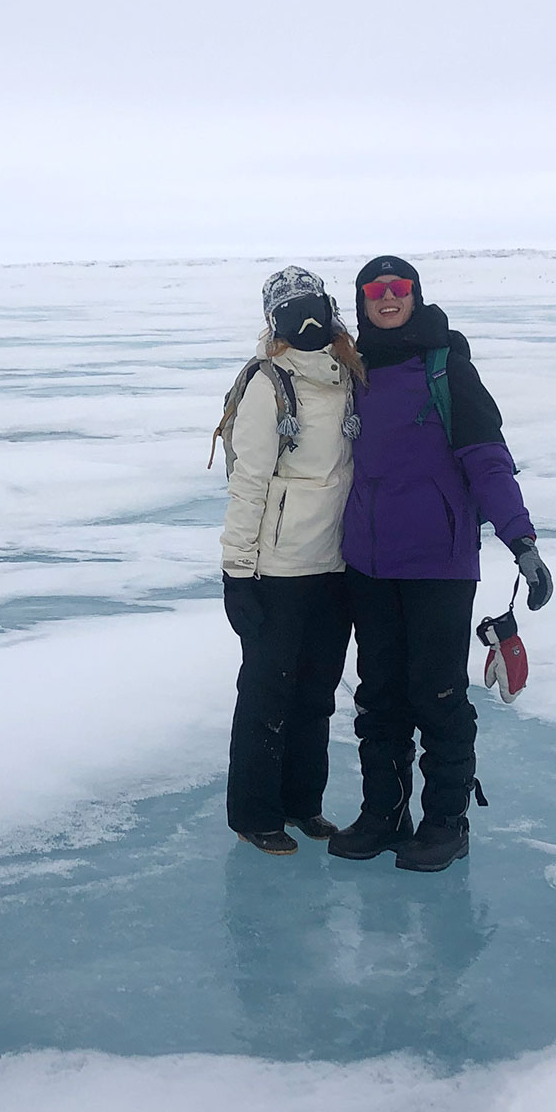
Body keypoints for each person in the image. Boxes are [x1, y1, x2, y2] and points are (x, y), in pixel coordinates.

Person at [328, 254, 553, 872]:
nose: (388, 297)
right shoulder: (353, 371)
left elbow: (487, 459)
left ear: (415, 295)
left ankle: (446, 823)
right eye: (376, 290)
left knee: (438, 695)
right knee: (379, 698)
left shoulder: (447, 368)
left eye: (399, 288)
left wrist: (522, 541)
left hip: (438, 565)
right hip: (369, 566)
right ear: (363, 300)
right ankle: (384, 814)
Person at [216, 266, 365, 855]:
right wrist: (236, 576)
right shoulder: (266, 384)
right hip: (277, 572)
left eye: (316, 308)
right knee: (267, 693)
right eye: (292, 310)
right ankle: (255, 812)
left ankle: (304, 804)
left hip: (335, 567)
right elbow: (248, 483)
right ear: (275, 321)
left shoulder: (348, 375)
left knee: (317, 693)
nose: (308, 321)